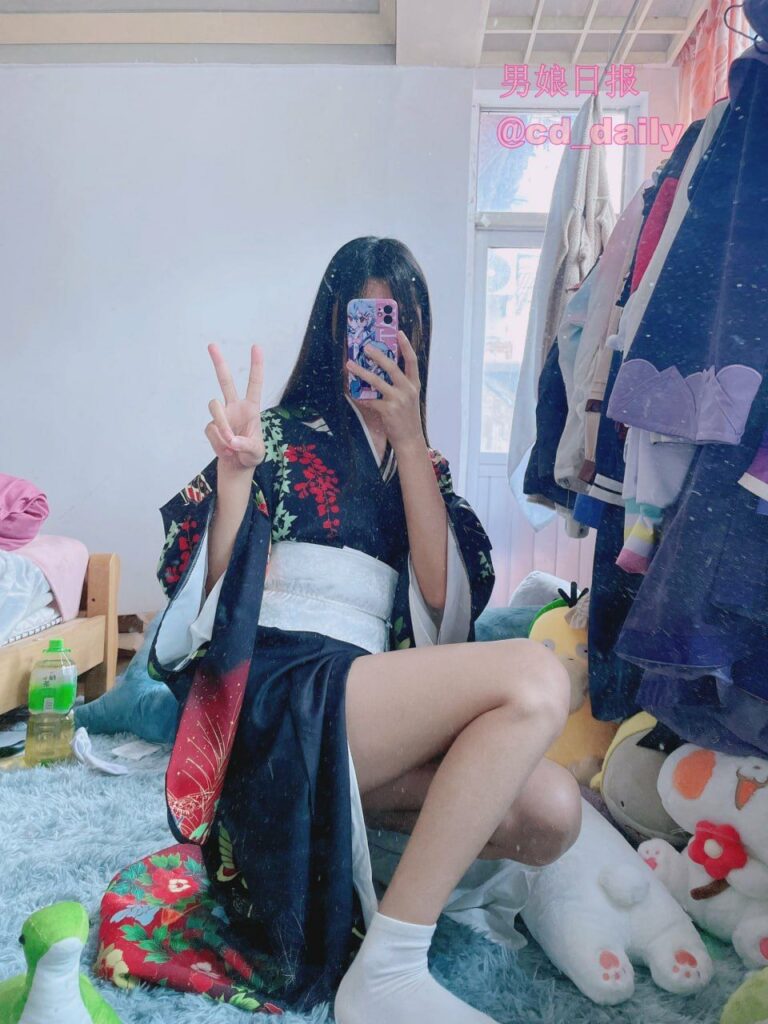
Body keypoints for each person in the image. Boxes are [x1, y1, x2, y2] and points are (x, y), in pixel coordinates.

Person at [149, 236, 580, 1024]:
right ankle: (391, 967)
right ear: (332, 327)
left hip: (359, 706)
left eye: (398, 323)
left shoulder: (426, 466)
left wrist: (410, 443)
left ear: (418, 336)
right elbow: (205, 605)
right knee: (536, 673)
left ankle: (346, 862)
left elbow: (443, 611)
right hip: (280, 692)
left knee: (552, 811)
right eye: (365, 320)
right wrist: (237, 479)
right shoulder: (273, 434)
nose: (380, 342)